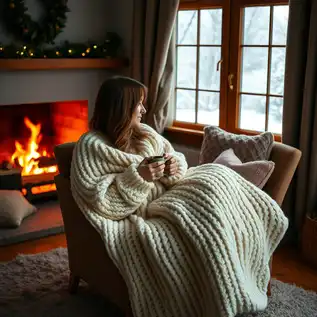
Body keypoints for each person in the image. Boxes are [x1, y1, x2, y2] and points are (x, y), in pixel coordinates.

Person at [70, 76, 288, 317]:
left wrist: (175, 166)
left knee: (215, 177)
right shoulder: (90, 146)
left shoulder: (145, 133)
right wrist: (139, 177)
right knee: (206, 222)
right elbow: (100, 202)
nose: (144, 109)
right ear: (121, 108)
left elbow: (175, 156)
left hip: (173, 192)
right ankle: (221, 298)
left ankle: (241, 272)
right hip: (145, 210)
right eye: (138, 104)